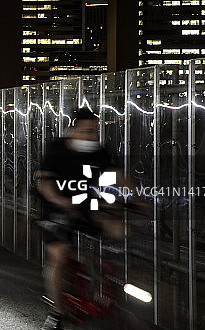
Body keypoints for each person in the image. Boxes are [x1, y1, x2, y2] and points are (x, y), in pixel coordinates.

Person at [35, 107, 127, 330]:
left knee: (119, 229)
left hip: (86, 204)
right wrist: (58, 199)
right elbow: (44, 182)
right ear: (72, 132)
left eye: (95, 131)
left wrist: (139, 198)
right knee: (59, 255)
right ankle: (56, 310)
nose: (91, 136)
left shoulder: (99, 152)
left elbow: (118, 176)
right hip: (56, 207)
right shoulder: (57, 149)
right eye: (86, 131)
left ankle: (109, 280)